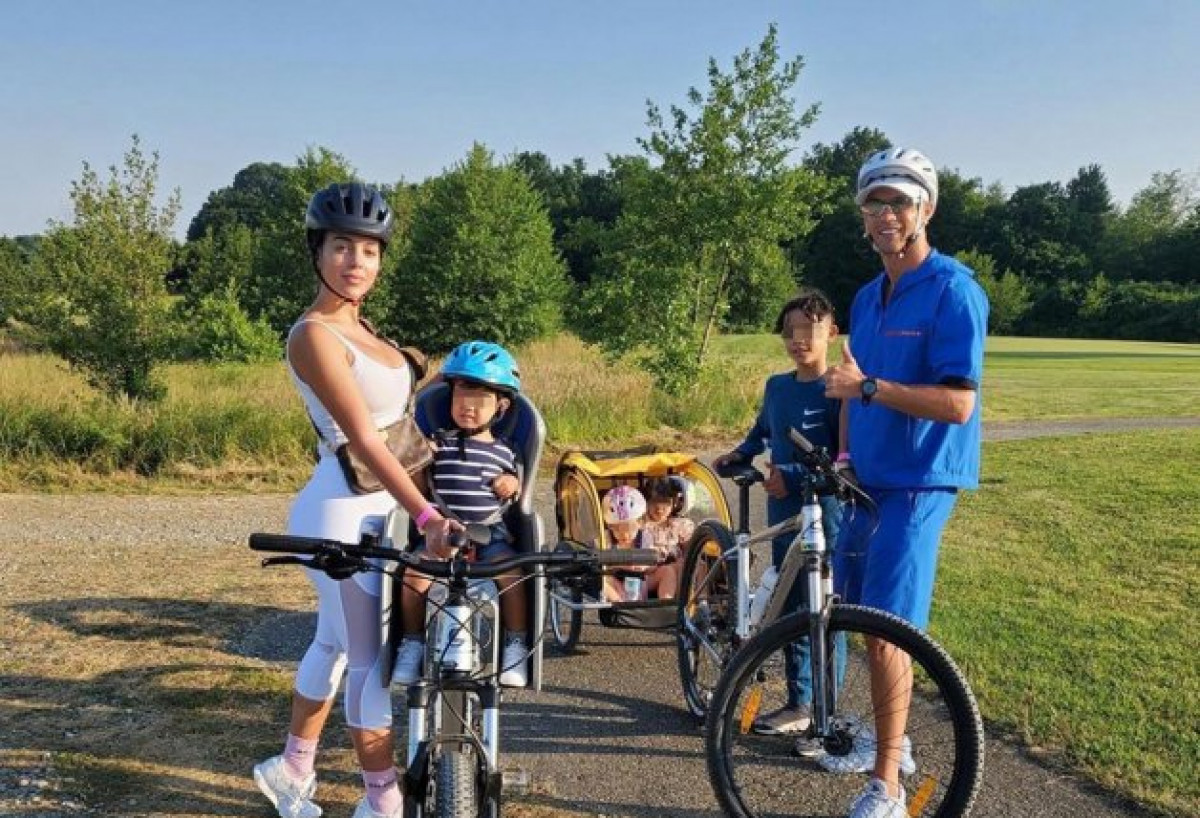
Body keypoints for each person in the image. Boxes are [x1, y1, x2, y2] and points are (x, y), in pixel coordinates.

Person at [254, 183, 456, 818]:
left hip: (379, 507)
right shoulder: (314, 335)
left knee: (333, 645)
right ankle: (382, 801)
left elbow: (398, 418)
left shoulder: (364, 328)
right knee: (369, 660)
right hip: (342, 513)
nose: (357, 262)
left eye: (369, 250)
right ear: (317, 251)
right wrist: (426, 516)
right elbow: (367, 440)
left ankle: (290, 769)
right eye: (343, 246)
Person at [823, 147, 988, 818]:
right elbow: (848, 389)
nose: (886, 213)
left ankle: (886, 789)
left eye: (900, 201)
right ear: (862, 214)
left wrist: (868, 388)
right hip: (866, 480)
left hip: (920, 482)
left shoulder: (954, 290)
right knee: (863, 620)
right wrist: (841, 457)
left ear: (927, 208)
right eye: (874, 202)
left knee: (889, 630)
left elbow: (958, 404)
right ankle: (895, 745)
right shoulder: (866, 296)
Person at [713, 289, 843, 738]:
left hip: (826, 516)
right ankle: (799, 702)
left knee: (823, 611)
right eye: (789, 331)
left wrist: (788, 470)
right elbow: (761, 432)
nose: (798, 339)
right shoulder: (777, 387)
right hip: (784, 513)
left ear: (832, 332)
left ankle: (828, 710)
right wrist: (739, 453)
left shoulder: (838, 389)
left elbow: (840, 456)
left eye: (809, 329)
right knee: (788, 609)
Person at [391, 341, 531, 688]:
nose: (467, 407)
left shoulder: (505, 451)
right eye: (459, 398)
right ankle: (412, 643)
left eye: (479, 400)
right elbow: (420, 488)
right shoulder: (438, 443)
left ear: (501, 406)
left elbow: (519, 487)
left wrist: (512, 483)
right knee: (413, 578)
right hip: (441, 535)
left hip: (489, 536)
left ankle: (515, 643)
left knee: (512, 577)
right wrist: (421, 461)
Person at [639, 476, 695, 600]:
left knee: (696, 564)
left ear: (674, 503)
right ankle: (669, 605)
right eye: (654, 501)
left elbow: (691, 549)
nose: (659, 508)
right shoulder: (640, 525)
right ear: (646, 502)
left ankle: (701, 603)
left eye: (665, 502)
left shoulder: (679, 524)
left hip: (677, 570)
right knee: (670, 569)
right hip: (649, 573)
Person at [599, 485, 653, 601]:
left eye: (630, 528)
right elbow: (596, 561)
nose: (624, 534)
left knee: (666, 571)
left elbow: (654, 562)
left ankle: (664, 603)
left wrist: (645, 566)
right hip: (615, 580)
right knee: (603, 580)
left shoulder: (645, 537)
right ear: (609, 526)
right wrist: (619, 565)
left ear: (640, 523)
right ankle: (620, 606)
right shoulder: (605, 539)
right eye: (617, 529)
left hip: (640, 579)